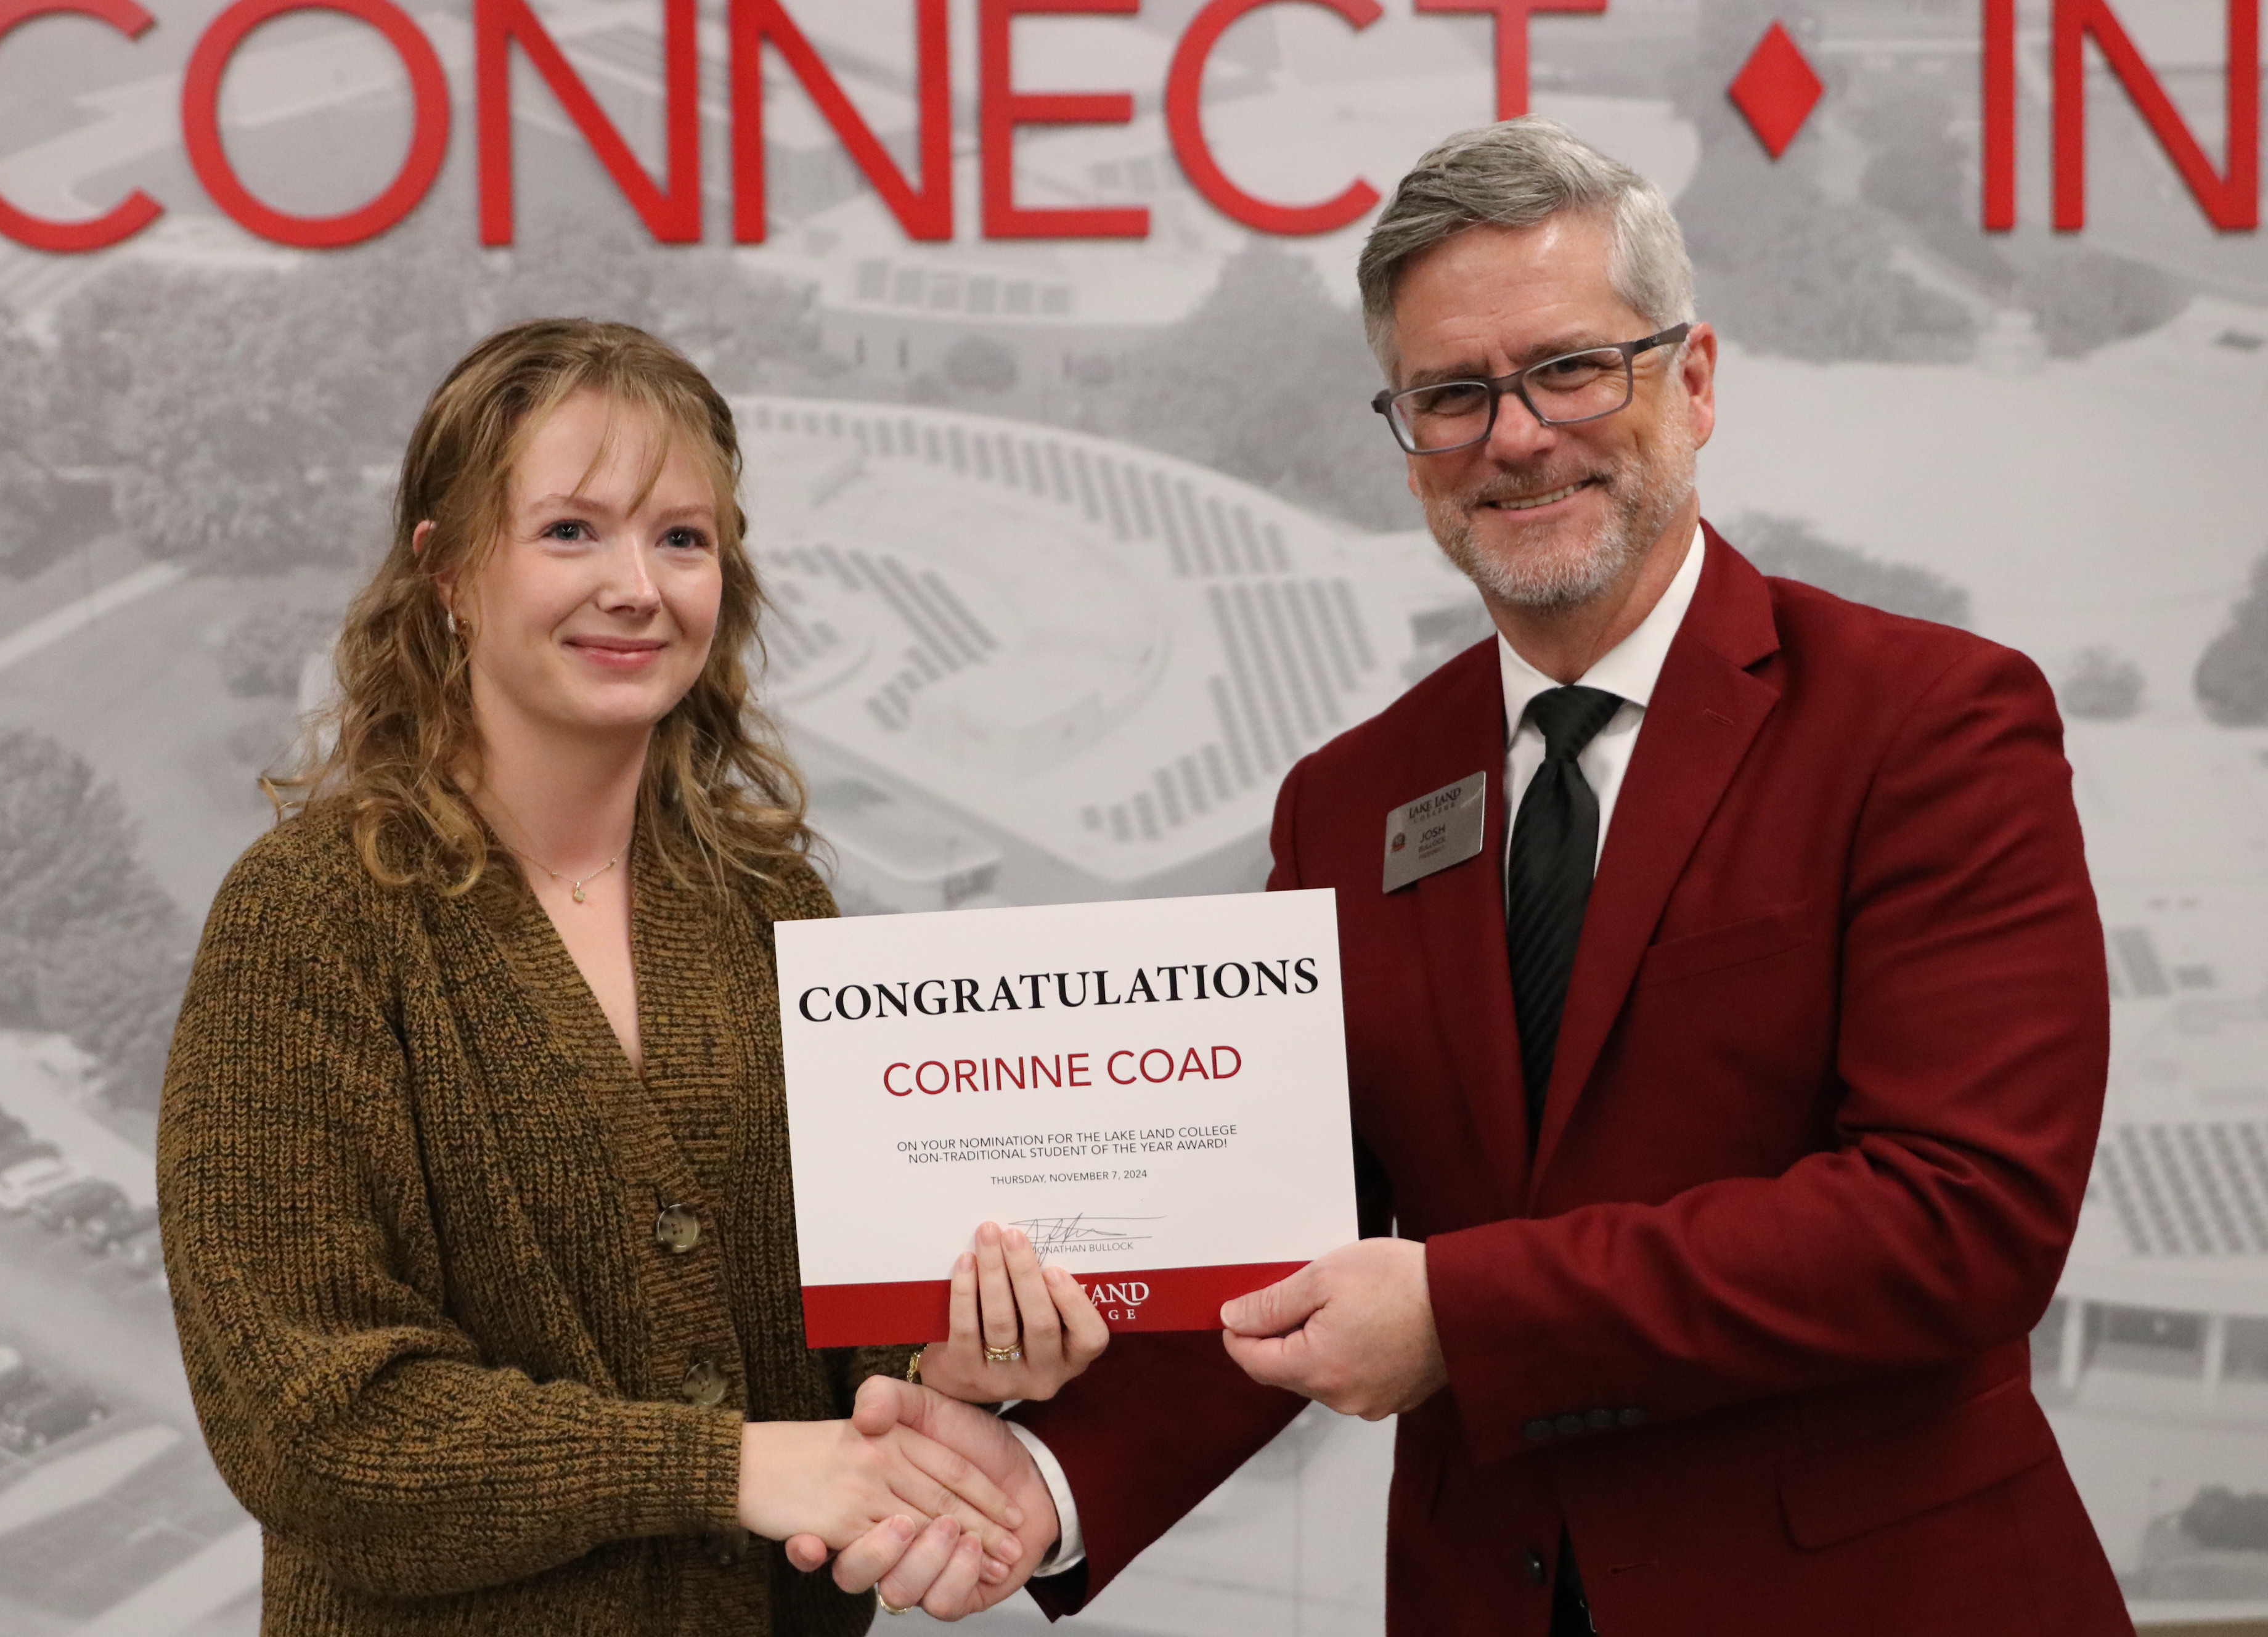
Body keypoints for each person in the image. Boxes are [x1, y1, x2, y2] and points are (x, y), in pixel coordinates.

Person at [799, 118, 2134, 1635]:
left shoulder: (1926, 722)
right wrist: (1048, 1475)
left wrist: (1464, 1312)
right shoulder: (1350, 799)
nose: (1515, 435)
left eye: (1572, 368)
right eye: (1451, 393)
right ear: (1408, 434)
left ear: (1691, 382)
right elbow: (1279, 1228)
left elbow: (1961, 1216)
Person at [157, 318, 1103, 1635]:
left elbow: (838, 1353)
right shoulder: (310, 923)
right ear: (446, 571)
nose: (637, 586)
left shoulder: (776, 906)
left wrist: (949, 1359)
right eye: (569, 532)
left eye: (681, 536)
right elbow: (310, 1425)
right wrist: (725, 1465)